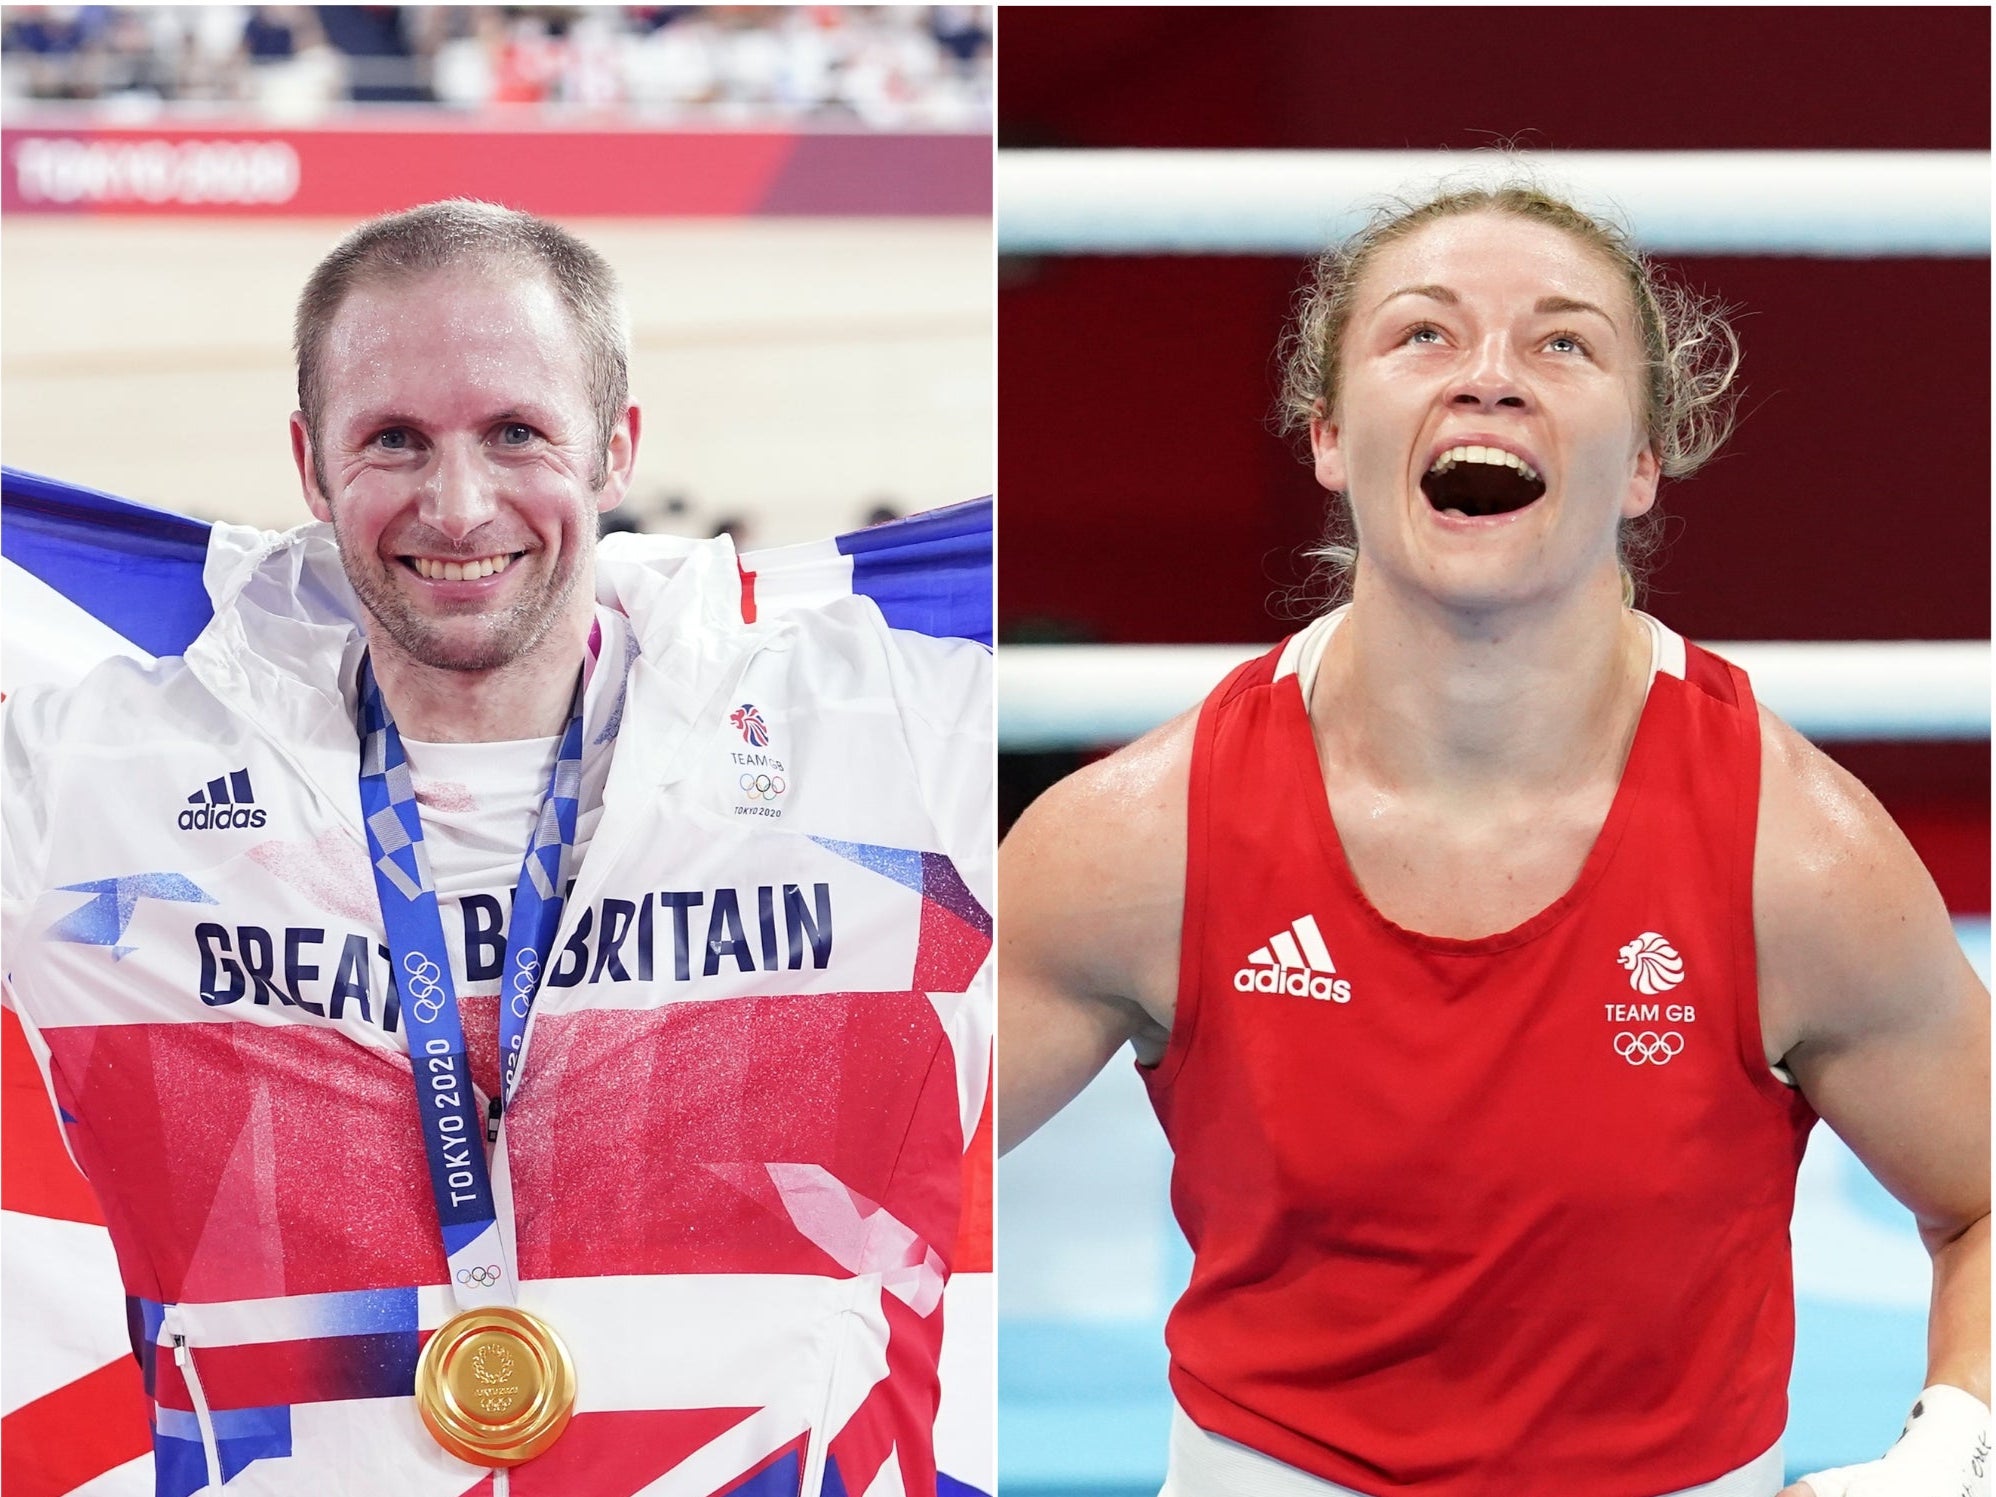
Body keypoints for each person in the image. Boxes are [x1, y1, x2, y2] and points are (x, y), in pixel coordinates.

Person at [999, 179, 1989, 1497]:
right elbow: (857, 1166)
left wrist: (1952, 1451)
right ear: (1329, 435)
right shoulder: (1139, 842)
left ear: (1642, 464)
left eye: (1563, 342)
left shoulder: (1794, 857)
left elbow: (1986, 1198)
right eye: (1424, 333)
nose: (1489, 377)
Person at [3, 199, 992, 1495]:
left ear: (616, 446)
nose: (458, 505)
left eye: (516, 433)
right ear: (310, 465)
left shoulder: (887, 735)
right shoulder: (96, 777)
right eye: (394, 439)